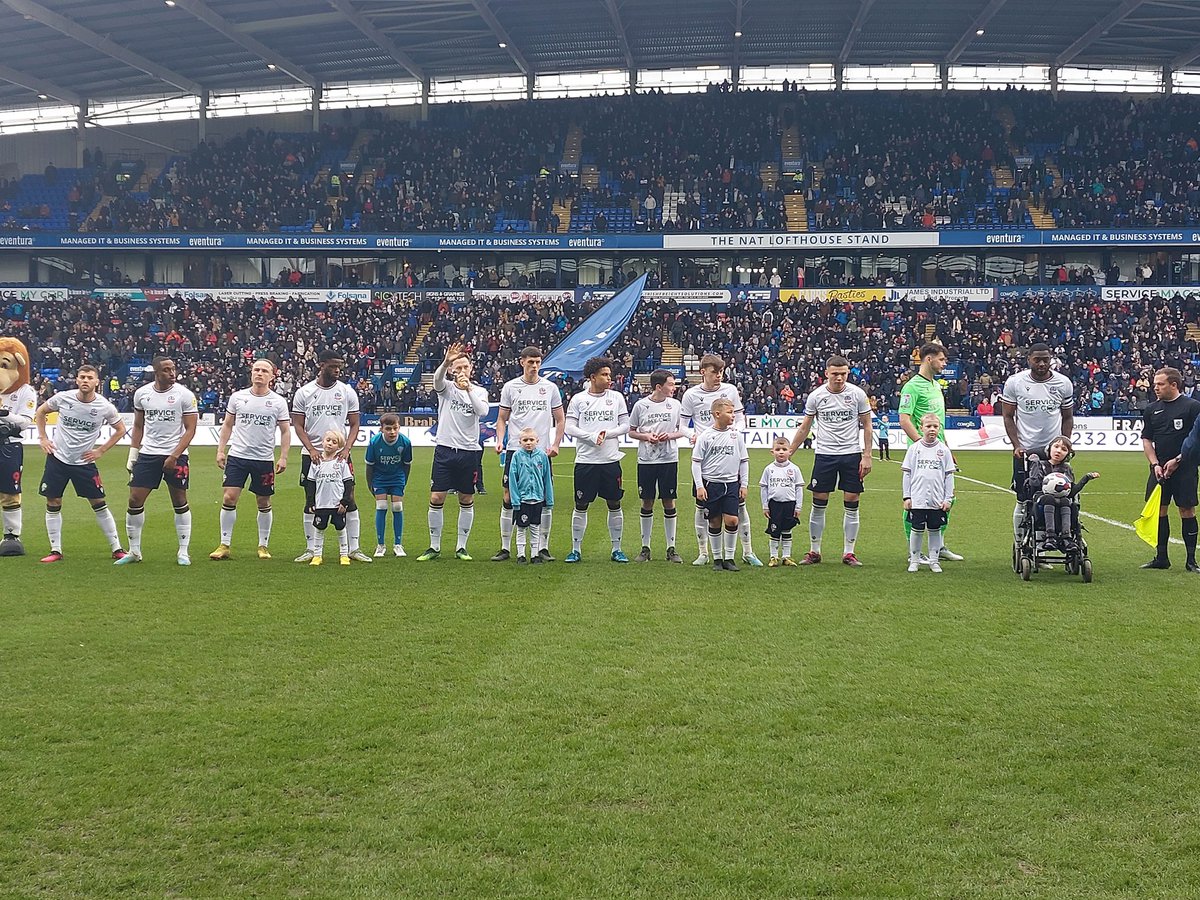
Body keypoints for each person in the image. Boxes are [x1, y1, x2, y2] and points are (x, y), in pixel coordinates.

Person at [34, 364, 128, 563]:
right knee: (53, 502)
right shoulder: (63, 398)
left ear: (96, 382)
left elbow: (120, 429)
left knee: (99, 503)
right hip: (57, 459)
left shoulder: (104, 407)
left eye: (89, 377)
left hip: (83, 462)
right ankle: (55, 550)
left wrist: (100, 450)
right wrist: (43, 438)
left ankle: (117, 548)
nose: (85, 380)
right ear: (76, 380)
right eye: (82, 377)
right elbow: (41, 412)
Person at [787, 355, 874, 567]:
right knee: (819, 502)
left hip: (851, 454)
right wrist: (790, 451)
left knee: (852, 501)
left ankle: (849, 552)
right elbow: (805, 427)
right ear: (826, 373)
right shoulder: (816, 396)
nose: (839, 378)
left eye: (843, 374)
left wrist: (867, 455)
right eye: (835, 374)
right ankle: (814, 551)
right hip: (825, 454)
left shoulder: (857, 394)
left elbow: (867, 425)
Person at [680, 353, 762, 567]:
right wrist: (693, 436)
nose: (718, 376)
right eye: (714, 372)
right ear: (702, 372)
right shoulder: (691, 395)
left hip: (728, 453)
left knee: (738, 509)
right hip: (706, 456)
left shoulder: (730, 391)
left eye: (721, 372)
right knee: (703, 509)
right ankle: (704, 553)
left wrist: (734, 432)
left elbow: (741, 419)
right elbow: (682, 425)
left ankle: (747, 551)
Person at [116, 355, 198, 566]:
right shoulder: (142, 394)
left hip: (176, 455)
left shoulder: (185, 395)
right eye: (166, 370)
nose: (172, 373)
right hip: (149, 453)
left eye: (173, 369)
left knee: (179, 501)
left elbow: (190, 430)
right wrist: (133, 454)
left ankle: (183, 551)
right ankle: (134, 552)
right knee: (134, 499)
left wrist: (174, 455)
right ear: (156, 372)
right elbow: (138, 425)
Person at [291, 349, 369, 564]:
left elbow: (354, 424)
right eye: (333, 366)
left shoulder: (346, 391)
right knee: (311, 501)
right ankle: (310, 549)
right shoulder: (304, 392)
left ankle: (354, 548)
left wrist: (347, 449)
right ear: (321, 364)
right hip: (312, 456)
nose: (337, 371)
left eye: (340, 367)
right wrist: (311, 449)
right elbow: (298, 424)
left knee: (349, 498)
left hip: (340, 457)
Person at [209, 358, 291, 560]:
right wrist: (221, 450)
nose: (259, 373)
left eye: (264, 370)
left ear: (272, 376)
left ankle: (263, 545)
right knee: (229, 497)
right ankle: (224, 544)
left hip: (263, 459)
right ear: (251, 373)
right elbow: (228, 424)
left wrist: (283, 457)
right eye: (256, 370)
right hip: (238, 456)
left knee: (263, 501)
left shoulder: (278, 402)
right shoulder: (238, 397)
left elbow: (285, 431)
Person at [417, 342, 489, 561]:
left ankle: (461, 547)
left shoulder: (479, 391)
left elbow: (482, 411)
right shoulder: (446, 389)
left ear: (471, 368)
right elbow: (436, 381)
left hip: (469, 452)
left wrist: (468, 389)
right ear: (451, 370)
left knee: (466, 498)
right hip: (445, 449)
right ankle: (434, 546)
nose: (461, 371)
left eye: (465, 367)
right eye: (457, 368)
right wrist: (445, 361)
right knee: (437, 497)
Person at [492, 346, 564, 562]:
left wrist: (556, 444)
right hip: (515, 450)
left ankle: (542, 547)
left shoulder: (550, 388)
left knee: (542, 497)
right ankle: (505, 547)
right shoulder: (511, 387)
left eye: (537, 362)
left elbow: (560, 419)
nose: (534, 366)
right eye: (530, 361)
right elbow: (502, 418)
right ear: (521, 362)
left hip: (541, 452)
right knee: (508, 496)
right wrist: (499, 440)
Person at [1001, 343, 1075, 537]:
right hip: (1025, 450)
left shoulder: (1063, 383)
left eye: (1046, 359)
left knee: (1056, 497)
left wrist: (1065, 443)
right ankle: (1020, 542)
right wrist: (1016, 445)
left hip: (1053, 452)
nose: (1042, 363)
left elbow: (1067, 417)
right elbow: (1008, 416)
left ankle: (1044, 540)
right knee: (1022, 498)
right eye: (1037, 360)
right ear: (1029, 360)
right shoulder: (1015, 382)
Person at [897, 342, 963, 561]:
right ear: (928, 359)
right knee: (915, 500)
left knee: (946, 497)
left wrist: (946, 449)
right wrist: (921, 445)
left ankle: (939, 545)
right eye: (942, 359)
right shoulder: (912, 386)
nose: (944, 363)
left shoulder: (935, 385)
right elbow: (904, 419)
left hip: (939, 451)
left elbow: (938, 424)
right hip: (920, 455)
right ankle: (913, 551)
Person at [564, 356, 629, 563]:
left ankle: (616, 549)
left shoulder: (617, 397)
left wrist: (606, 434)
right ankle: (576, 549)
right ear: (593, 377)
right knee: (581, 503)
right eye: (604, 374)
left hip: (610, 460)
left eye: (609, 374)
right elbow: (569, 427)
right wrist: (591, 437)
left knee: (614, 502)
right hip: (585, 461)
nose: (609, 378)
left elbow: (625, 425)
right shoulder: (578, 400)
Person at [1139, 367, 1200, 571]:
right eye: (1155, 384)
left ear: (1174, 385)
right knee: (1159, 511)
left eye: (1160, 384)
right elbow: (1147, 439)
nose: (1155, 387)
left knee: (1186, 510)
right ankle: (1161, 558)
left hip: (1185, 468)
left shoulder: (1192, 407)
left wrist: (1178, 460)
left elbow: (1197, 440)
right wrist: (1154, 464)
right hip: (1159, 470)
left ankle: (1191, 561)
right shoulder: (1151, 409)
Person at [628, 369, 686, 563]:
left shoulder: (676, 405)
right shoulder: (641, 405)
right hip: (646, 460)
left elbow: (682, 430)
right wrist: (646, 437)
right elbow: (632, 431)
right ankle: (646, 547)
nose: (674, 387)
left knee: (669, 500)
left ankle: (671, 548)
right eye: (671, 384)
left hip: (669, 458)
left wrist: (669, 435)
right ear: (658, 387)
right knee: (647, 501)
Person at [692, 398, 749, 572]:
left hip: (731, 483)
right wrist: (700, 486)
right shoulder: (706, 436)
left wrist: (744, 484)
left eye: (733, 412)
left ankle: (729, 558)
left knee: (732, 520)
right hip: (712, 484)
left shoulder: (736, 436)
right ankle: (717, 558)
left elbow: (744, 461)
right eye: (730, 412)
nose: (733, 416)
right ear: (717, 414)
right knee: (714, 521)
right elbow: (696, 462)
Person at [901, 413, 956, 573]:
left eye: (935, 426)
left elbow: (949, 476)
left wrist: (948, 499)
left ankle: (934, 561)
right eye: (928, 426)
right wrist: (907, 496)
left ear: (939, 428)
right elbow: (907, 474)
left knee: (935, 530)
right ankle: (915, 560)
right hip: (917, 498)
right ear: (921, 428)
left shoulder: (944, 450)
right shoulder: (914, 449)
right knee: (916, 529)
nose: (932, 430)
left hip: (937, 500)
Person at [1024, 436, 1099, 551]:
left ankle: (1066, 537)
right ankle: (1050, 536)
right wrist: (1034, 465)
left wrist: (1086, 478)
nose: (1058, 451)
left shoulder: (1066, 469)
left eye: (1063, 449)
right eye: (1056, 446)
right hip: (1042, 500)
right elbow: (1034, 484)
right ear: (1049, 448)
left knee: (1066, 501)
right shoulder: (1040, 464)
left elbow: (1071, 492)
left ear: (1067, 455)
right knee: (1048, 498)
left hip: (1062, 500)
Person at [0, 338, 37, 556]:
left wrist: (5, 414)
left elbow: (25, 421)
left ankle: (12, 535)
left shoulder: (25, 391)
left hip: (9, 445)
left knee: (10, 492)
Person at [365, 412, 412, 558]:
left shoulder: (405, 442)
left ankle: (398, 544)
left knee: (397, 507)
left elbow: (407, 465)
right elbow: (370, 466)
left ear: (399, 428)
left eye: (395, 428)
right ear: (382, 429)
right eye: (388, 429)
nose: (392, 432)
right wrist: (370, 484)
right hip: (380, 477)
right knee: (381, 506)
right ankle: (380, 545)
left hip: (397, 477)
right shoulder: (374, 442)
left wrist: (404, 482)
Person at [306, 430, 355, 567]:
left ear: (338, 446)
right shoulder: (316, 462)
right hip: (321, 503)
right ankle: (317, 555)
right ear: (322, 441)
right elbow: (310, 483)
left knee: (340, 528)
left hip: (337, 504)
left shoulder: (341, 463)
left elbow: (348, 483)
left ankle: (344, 555)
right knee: (319, 529)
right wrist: (310, 501)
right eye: (328, 440)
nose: (330, 444)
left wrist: (345, 502)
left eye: (334, 442)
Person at [507, 427, 554, 564]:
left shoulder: (542, 456)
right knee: (521, 528)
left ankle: (534, 554)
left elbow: (547, 479)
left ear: (537, 441)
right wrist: (515, 500)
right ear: (520, 441)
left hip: (537, 499)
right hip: (523, 500)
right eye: (525, 440)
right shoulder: (517, 456)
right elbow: (512, 479)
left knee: (535, 527)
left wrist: (549, 499)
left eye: (531, 440)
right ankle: (521, 554)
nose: (528, 442)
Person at [759, 436, 804, 567]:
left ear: (790, 451)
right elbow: (764, 488)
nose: (781, 452)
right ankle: (773, 556)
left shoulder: (794, 469)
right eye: (778, 449)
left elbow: (799, 489)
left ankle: (786, 556)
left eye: (784, 449)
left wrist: (798, 507)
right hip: (774, 505)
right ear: (772, 452)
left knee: (787, 530)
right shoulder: (769, 469)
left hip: (790, 504)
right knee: (774, 531)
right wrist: (765, 506)